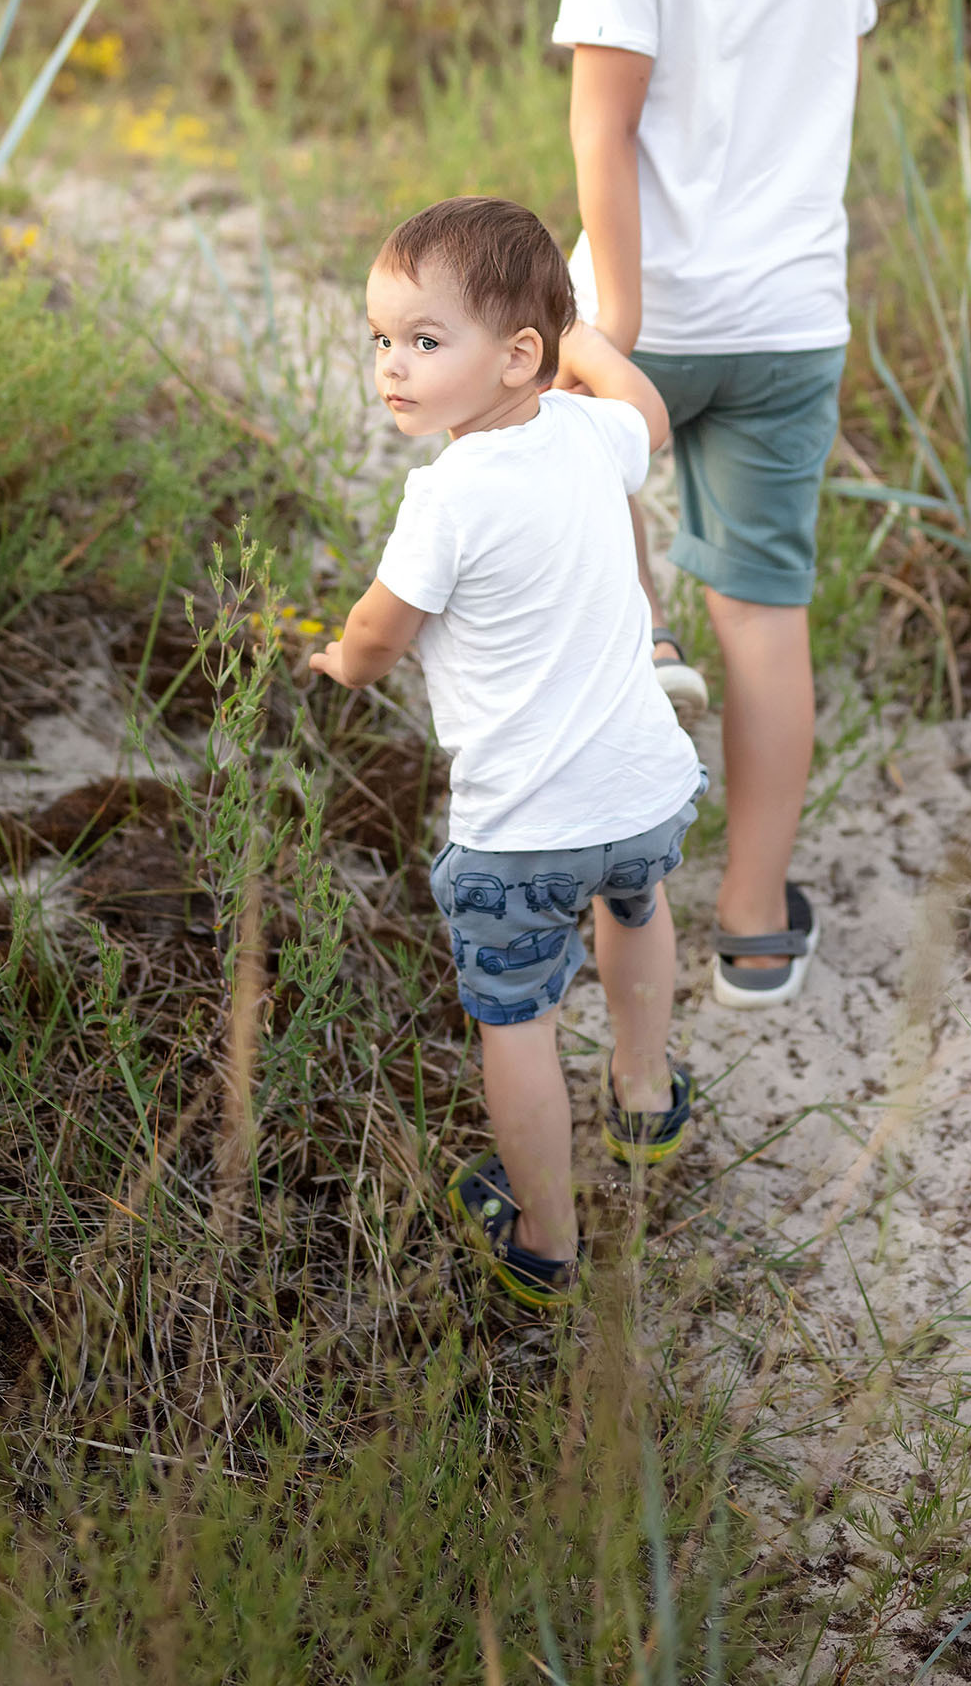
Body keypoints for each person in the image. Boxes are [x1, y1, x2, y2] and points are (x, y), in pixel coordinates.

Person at [555, 0, 876, 1010]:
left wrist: (608, 325)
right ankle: (755, 925)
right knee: (769, 611)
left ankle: (633, 666)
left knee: (570, 511)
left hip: (652, 318)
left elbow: (604, 127)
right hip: (791, 320)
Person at [309, 194, 703, 1310]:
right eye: (380, 340)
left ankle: (543, 1234)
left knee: (515, 1017)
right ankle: (639, 1090)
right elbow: (649, 412)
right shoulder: (587, 434)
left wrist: (340, 662)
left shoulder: (444, 498)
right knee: (636, 907)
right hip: (640, 796)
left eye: (425, 342)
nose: (391, 366)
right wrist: (582, 339)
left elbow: (383, 635)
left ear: (514, 355)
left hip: (521, 832)